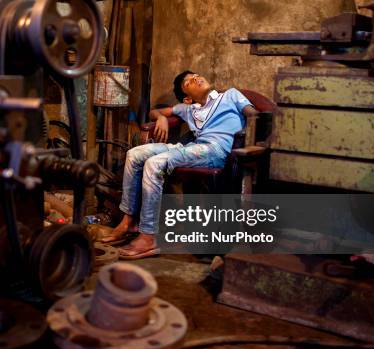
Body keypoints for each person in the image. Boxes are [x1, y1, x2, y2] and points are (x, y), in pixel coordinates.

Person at [101, 70, 258, 259]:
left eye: (196, 75)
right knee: (134, 154)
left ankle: (148, 236)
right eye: (188, 82)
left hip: (217, 149)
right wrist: (161, 118)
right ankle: (128, 222)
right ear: (187, 99)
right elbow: (154, 112)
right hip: (194, 147)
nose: (196, 78)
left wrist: (252, 136)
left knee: (155, 163)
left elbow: (253, 115)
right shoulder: (187, 109)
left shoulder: (230, 95)